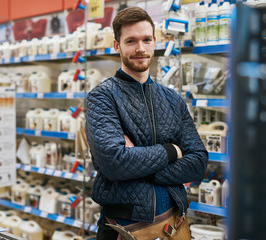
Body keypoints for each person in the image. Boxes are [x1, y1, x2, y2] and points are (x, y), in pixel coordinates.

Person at [85, 6, 208, 240]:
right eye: (131, 41)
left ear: (154, 42)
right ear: (117, 46)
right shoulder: (102, 97)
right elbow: (115, 163)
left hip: (173, 226)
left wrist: (138, 166)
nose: (140, 48)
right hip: (122, 228)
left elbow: (198, 163)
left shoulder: (172, 99)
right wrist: (171, 150)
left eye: (146, 40)